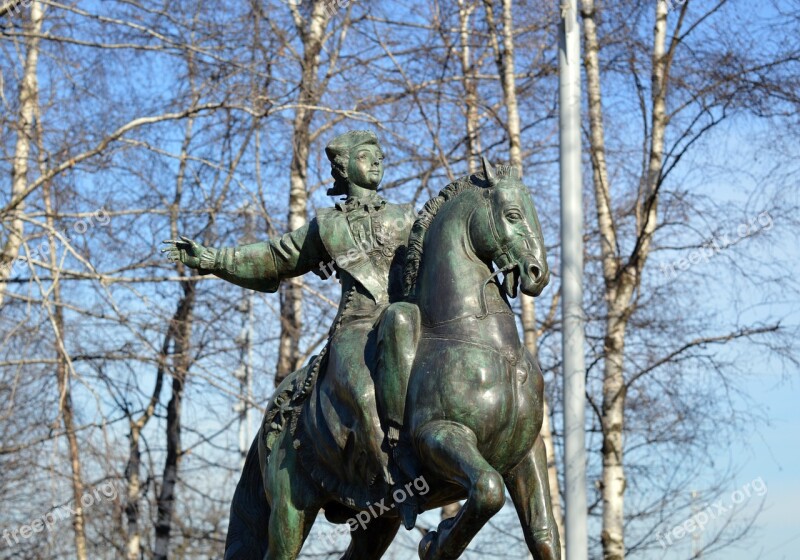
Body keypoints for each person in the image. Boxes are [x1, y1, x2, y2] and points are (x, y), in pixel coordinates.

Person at [163, 130, 421, 527]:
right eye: (368, 155)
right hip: (358, 327)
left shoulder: (407, 215)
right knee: (362, 389)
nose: (378, 161)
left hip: (406, 319)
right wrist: (213, 259)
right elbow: (275, 257)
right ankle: (398, 466)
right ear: (343, 166)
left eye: (381, 155)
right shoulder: (328, 227)